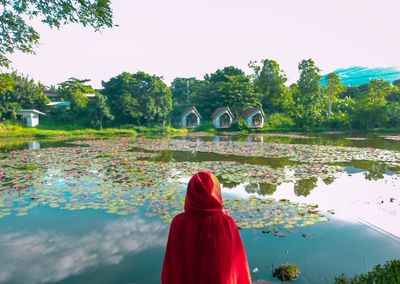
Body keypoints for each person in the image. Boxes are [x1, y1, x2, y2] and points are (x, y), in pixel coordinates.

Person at [161, 171, 252, 284]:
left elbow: (170, 265)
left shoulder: (178, 222)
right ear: (216, 192)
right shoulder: (226, 223)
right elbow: (238, 266)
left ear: (190, 192)